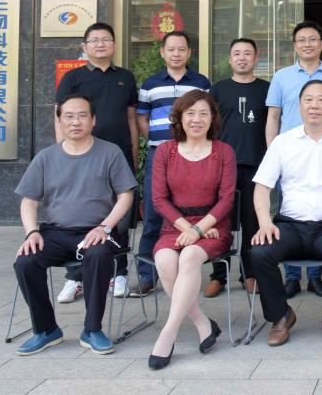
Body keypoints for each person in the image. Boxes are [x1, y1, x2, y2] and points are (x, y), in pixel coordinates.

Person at [12, 94, 136, 356]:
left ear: (93, 120)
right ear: (59, 121)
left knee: (99, 256)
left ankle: (92, 330)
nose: (75, 122)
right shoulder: (46, 157)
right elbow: (29, 201)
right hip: (56, 232)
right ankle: (46, 329)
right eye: (68, 116)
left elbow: (126, 195)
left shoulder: (110, 152)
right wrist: (31, 232)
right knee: (25, 262)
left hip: (97, 231)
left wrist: (105, 227)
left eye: (82, 116)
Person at [251, 80, 322, 347]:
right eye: (308, 100)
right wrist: (265, 222)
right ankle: (281, 316)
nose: (315, 105)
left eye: (321, 100)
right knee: (259, 253)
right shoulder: (283, 142)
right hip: (290, 225)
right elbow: (262, 187)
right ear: (300, 106)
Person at [147, 90, 236, 370]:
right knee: (164, 262)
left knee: (188, 257)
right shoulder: (166, 151)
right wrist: (190, 229)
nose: (196, 119)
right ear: (179, 117)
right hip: (176, 225)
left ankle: (168, 333)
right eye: (190, 113)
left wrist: (200, 229)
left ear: (213, 119)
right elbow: (159, 199)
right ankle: (202, 322)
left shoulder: (223, 151)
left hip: (213, 226)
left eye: (203, 114)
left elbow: (227, 199)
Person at [54, 22, 138, 302]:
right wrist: (63, 155)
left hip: (118, 156)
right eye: (94, 40)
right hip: (82, 158)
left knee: (120, 216)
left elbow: (130, 118)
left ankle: (119, 273)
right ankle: (76, 276)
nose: (100, 44)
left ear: (114, 44)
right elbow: (60, 117)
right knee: (82, 214)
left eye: (106, 39)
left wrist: (134, 153)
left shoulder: (125, 77)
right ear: (84, 46)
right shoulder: (73, 78)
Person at [265, 21, 322, 298]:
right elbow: (273, 117)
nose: (307, 44)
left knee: (318, 213)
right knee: (289, 214)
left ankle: (316, 277)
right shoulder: (281, 77)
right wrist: (272, 154)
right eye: (301, 40)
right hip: (290, 155)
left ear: (321, 44)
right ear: (295, 45)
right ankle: (292, 277)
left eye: (312, 39)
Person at [132, 30, 210, 297]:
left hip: (193, 154)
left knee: (192, 209)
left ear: (189, 53)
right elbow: (142, 117)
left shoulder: (201, 82)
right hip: (159, 154)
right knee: (153, 212)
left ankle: (188, 269)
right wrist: (157, 141)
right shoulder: (150, 84)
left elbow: (208, 115)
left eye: (182, 49)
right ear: (162, 52)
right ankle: (147, 276)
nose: (176, 54)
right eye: (171, 49)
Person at [204, 38, 270, 299]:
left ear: (256, 58)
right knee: (221, 222)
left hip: (257, 165)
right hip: (223, 167)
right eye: (237, 53)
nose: (242, 58)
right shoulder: (218, 89)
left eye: (247, 53)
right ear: (230, 59)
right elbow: (209, 127)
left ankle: (249, 273)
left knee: (252, 223)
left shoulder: (266, 89)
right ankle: (218, 276)